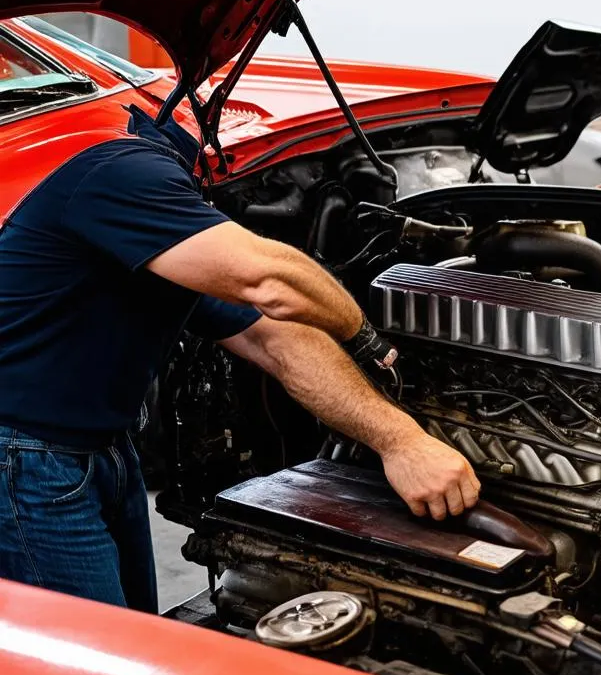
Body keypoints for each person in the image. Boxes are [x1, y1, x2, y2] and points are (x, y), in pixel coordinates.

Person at [0, 104, 480, 612]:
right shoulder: (119, 172)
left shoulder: (152, 185)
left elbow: (275, 336)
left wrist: (402, 439)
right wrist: (362, 334)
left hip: (100, 447)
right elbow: (266, 279)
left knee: (136, 640)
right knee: (92, 667)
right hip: (25, 459)